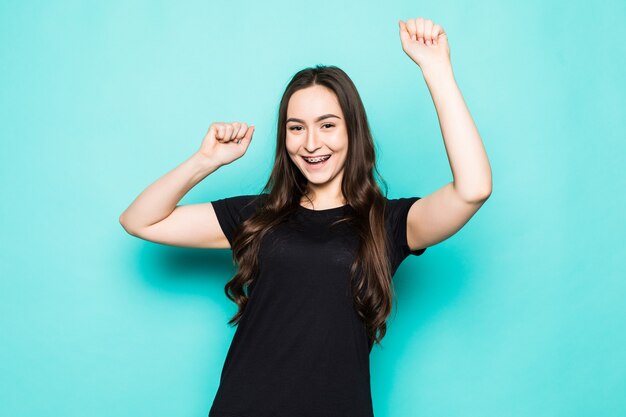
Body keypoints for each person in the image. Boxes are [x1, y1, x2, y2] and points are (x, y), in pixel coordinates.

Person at [119, 16, 491, 417]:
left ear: (353, 131)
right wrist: (204, 161)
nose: (311, 143)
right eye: (296, 128)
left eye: (327, 125)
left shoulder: (388, 223)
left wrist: (436, 69)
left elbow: (473, 189)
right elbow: (140, 220)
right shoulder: (259, 215)